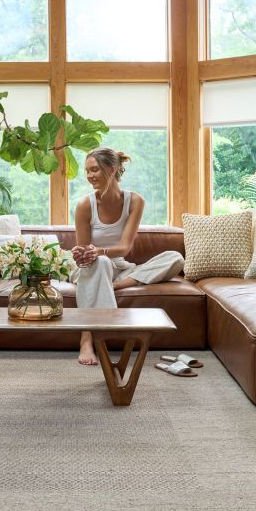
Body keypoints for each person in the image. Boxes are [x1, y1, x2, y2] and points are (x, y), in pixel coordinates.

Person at [71, 147, 185, 366]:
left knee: (175, 258)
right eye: (87, 171)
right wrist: (84, 253)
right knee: (101, 262)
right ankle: (87, 339)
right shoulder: (85, 205)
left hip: (120, 269)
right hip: (92, 267)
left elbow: (124, 248)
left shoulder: (135, 201)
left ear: (112, 169)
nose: (89, 176)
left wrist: (102, 251)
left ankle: (113, 286)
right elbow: (85, 253)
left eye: (94, 170)